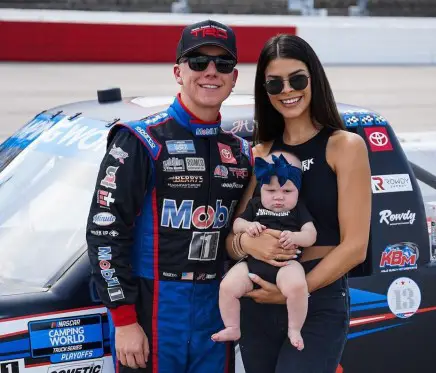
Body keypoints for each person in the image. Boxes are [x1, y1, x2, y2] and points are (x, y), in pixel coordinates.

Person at [86, 19, 253, 373]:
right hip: (153, 308)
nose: (211, 72)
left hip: (217, 309)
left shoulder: (241, 153)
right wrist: (125, 320)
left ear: (234, 78)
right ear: (178, 72)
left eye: (222, 64)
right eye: (198, 62)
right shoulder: (140, 140)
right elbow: (104, 232)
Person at [225, 34, 372, 373]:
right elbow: (233, 242)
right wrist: (246, 241)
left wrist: (297, 291)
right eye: (275, 84)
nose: (287, 91)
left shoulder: (344, 147)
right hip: (259, 297)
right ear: (265, 91)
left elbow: (355, 247)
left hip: (318, 301)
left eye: (297, 79)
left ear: (314, 79)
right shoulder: (261, 153)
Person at [212, 151, 317, 351]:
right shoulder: (255, 205)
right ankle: (233, 326)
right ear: (261, 189)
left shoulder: (298, 209)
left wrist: (295, 237)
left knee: (297, 287)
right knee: (227, 286)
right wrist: (247, 228)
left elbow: (310, 234)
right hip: (252, 263)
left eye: (287, 192)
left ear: (298, 192)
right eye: (270, 191)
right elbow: (237, 224)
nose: (278, 197)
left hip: (286, 263)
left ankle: (294, 328)